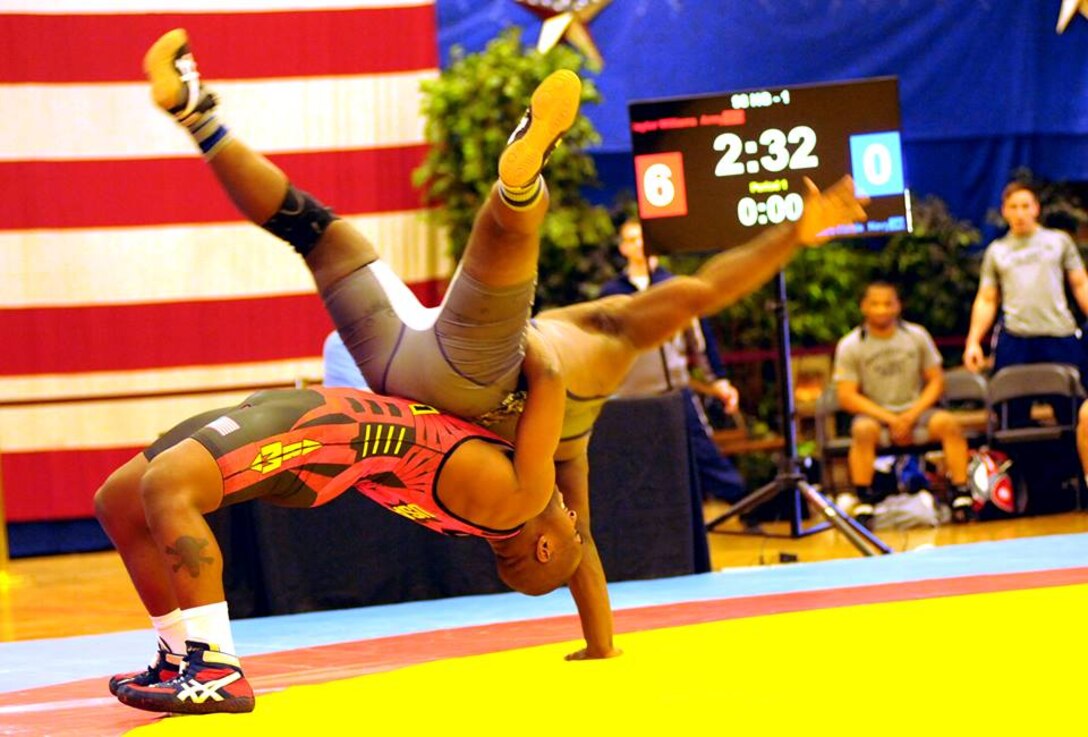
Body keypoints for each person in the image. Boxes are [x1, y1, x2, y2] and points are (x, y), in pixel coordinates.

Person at [144, 28, 867, 662]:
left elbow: (566, 365)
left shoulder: (549, 463)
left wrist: (791, 236)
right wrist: (600, 642)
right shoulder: (526, 489)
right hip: (392, 367)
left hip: (470, 366)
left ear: (547, 540)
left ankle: (519, 188)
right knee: (316, 233)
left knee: (507, 264)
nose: (577, 528)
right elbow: (580, 553)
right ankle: (199, 117)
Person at [95, 384, 580, 714]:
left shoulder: (519, 499)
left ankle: (215, 667)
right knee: (118, 500)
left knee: (168, 485)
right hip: (311, 420)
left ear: (542, 547)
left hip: (324, 429)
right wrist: (600, 644)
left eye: (575, 531)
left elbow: (551, 374)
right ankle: (178, 656)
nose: (577, 514)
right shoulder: (486, 512)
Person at [599, 216, 745, 503]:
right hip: (630, 398)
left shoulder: (674, 286)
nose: (639, 245)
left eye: (643, 238)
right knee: (636, 466)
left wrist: (719, 381)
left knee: (704, 455)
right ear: (622, 248)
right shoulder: (611, 294)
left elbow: (701, 341)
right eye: (631, 240)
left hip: (675, 392)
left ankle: (749, 505)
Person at [963, 180, 1088, 488]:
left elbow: (1080, 284)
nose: (1019, 213)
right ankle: (1024, 487)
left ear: (1036, 209)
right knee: (1011, 415)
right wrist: (973, 341)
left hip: (1059, 335)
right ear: (1005, 212)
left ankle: (1075, 481)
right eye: (1013, 207)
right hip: (1016, 338)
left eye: (1025, 206)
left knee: (1075, 412)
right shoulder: (997, 251)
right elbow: (987, 299)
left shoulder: (1058, 242)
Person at [833, 281, 973, 527]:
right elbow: (847, 396)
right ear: (864, 307)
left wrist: (910, 415)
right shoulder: (851, 344)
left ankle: (961, 494)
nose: (882, 309)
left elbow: (936, 381)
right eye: (875, 304)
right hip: (876, 417)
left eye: (888, 303)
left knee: (949, 424)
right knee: (862, 430)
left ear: (898, 306)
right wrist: (890, 419)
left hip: (917, 412)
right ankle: (865, 499)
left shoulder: (916, 336)